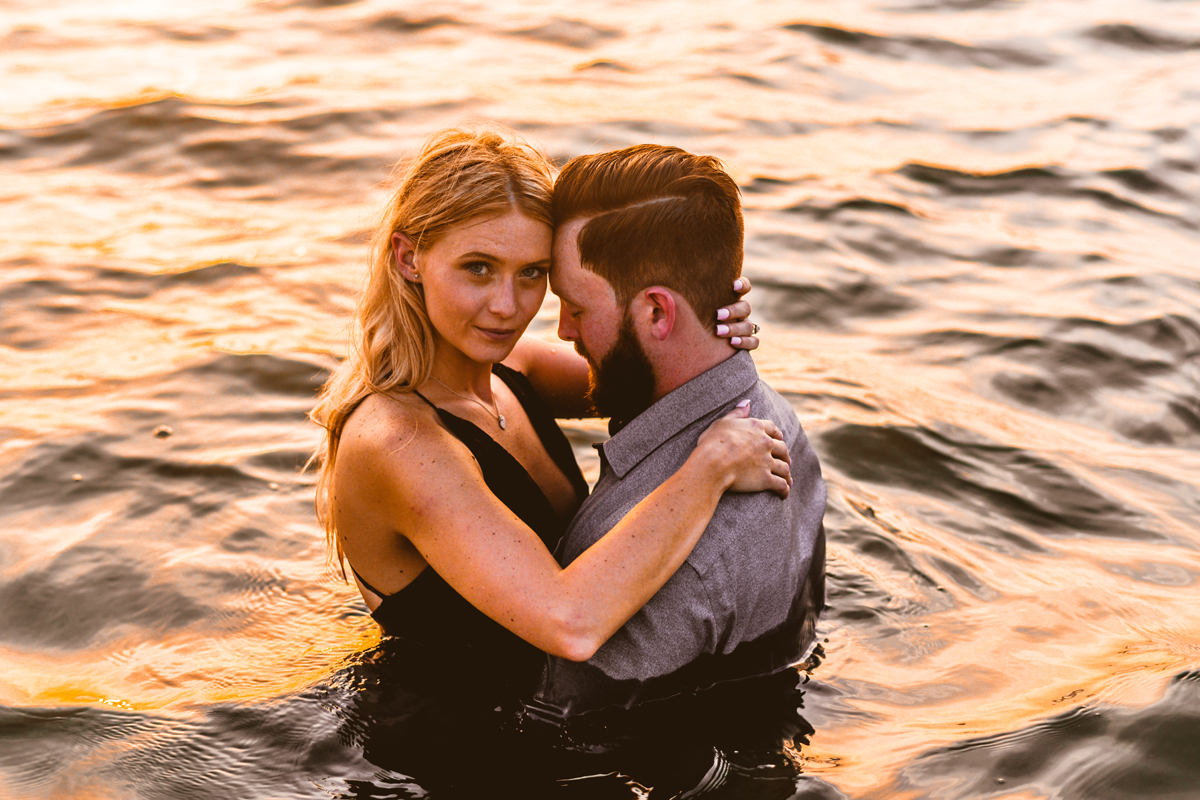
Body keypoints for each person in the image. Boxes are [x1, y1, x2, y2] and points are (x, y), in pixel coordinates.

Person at [307, 127, 790, 704]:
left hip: (563, 714)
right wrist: (709, 468)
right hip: (451, 753)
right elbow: (571, 623)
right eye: (478, 268)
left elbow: (655, 377)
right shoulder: (396, 441)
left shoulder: (517, 370)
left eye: (532, 272)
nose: (508, 307)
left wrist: (700, 319)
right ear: (409, 258)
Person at [526, 143, 828, 726]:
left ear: (657, 313)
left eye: (577, 308)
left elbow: (561, 735)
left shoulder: (647, 578)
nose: (561, 330)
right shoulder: (776, 419)